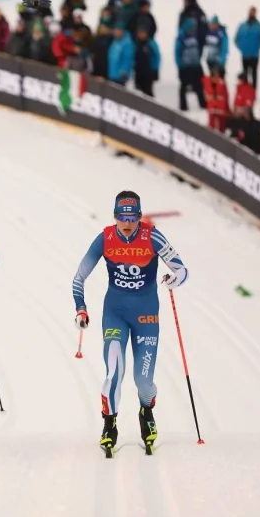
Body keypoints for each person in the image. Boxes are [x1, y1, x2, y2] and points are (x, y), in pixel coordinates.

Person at [71, 191, 189, 456]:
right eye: (122, 217)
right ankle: (109, 426)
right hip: (116, 313)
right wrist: (81, 308)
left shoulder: (152, 236)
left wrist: (174, 279)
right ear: (115, 217)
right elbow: (78, 278)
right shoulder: (105, 238)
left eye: (132, 217)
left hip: (147, 315)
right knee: (114, 372)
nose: (127, 223)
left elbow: (182, 270)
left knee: (143, 380)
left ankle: (146, 411)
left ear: (138, 216)